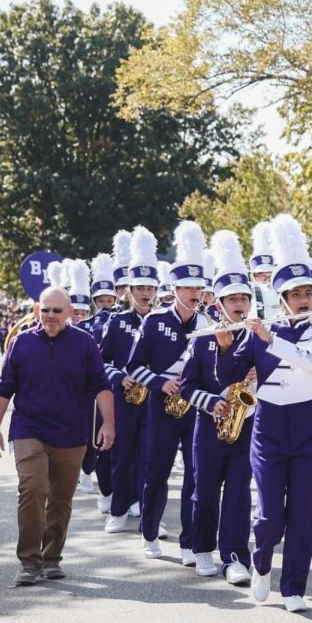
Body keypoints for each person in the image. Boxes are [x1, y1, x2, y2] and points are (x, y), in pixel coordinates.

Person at [217, 214, 312, 613]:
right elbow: (230, 374)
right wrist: (223, 345)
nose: (304, 299)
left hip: (305, 427)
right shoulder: (258, 330)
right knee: (269, 516)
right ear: (283, 299)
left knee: (303, 513)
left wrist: (270, 340)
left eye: (308, 292)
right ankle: (261, 561)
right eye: (296, 294)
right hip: (267, 427)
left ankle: (294, 588)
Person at [0, 285, 115, 586]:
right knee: (32, 488)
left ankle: (51, 558)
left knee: (61, 499)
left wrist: (108, 423)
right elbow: (4, 387)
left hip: (72, 433)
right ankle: (29, 562)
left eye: (57, 310)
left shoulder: (85, 344)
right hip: (29, 429)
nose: (50, 316)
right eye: (45, 309)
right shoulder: (21, 343)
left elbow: (101, 384)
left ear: (70, 312)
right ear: (37, 311)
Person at [127, 221, 211, 565]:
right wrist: (161, 382)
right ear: (174, 288)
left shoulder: (209, 324)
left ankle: (190, 542)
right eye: (188, 286)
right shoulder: (154, 321)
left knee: (195, 475)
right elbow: (134, 366)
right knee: (156, 472)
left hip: (195, 408)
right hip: (162, 406)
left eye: (199, 287)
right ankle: (149, 533)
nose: (194, 292)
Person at [177, 231, 257, 583]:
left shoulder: (259, 337)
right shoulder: (204, 339)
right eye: (232, 299)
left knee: (239, 494)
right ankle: (202, 548)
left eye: (244, 298)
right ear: (220, 304)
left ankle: (236, 556)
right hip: (209, 428)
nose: (239, 304)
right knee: (205, 492)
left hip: (247, 427)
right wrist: (212, 403)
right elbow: (186, 387)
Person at [99, 227, 158, 534]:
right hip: (123, 398)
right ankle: (118, 510)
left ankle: (145, 511)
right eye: (140, 288)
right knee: (122, 457)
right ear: (129, 291)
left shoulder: (163, 322)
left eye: (150, 287)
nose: (146, 293)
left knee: (150, 458)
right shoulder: (117, 321)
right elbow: (102, 360)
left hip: (155, 399)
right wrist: (120, 378)